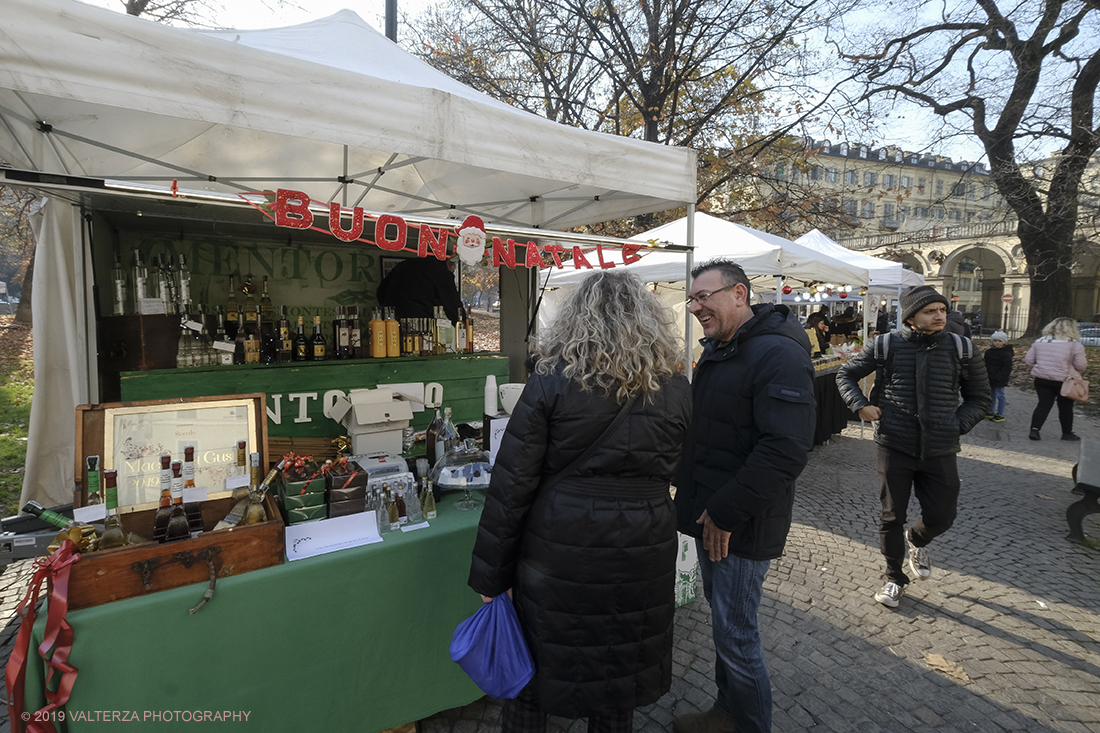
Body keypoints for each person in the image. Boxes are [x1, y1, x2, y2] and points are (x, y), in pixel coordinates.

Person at [469, 269, 692, 733]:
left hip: (559, 544)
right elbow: (680, 468)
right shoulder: (676, 389)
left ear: (575, 319)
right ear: (649, 320)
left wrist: (492, 576)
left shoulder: (552, 380)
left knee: (532, 672)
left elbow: (512, 485)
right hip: (644, 541)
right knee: (619, 674)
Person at [672, 259, 815, 733]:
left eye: (703, 297)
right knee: (724, 627)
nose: (695, 307)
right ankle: (726, 714)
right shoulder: (722, 348)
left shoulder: (778, 354)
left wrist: (726, 513)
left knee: (736, 636)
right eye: (692, 299)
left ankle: (749, 724)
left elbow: (785, 449)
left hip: (740, 524)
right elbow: (710, 431)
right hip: (715, 516)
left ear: (739, 294)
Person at [836, 285, 990, 609]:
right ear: (911, 316)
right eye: (930, 311)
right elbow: (846, 374)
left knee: (943, 514)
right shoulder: (886, 345)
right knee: (892, 515)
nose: (939, 316)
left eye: (942, 310)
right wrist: (860, 405)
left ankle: (917, 539)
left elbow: (980, 398)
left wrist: (956, 424)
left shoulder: (962, 348)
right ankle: (894, 578)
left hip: (940, 448)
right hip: (895, 444)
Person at [1024, 317, 1087, 441]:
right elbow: (1081, 365)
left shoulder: (1040, 341)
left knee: (1043, 404)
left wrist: (1040, 367)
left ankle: (1035, 430)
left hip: (1042, 378)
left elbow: (1029, 360)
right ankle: (1067, 433)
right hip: (1065, 380)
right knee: (1066, 407)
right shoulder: (1074, 344)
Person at [376, 255, 462, 321]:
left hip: (391, 321)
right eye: (453, 268)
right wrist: (464, 326)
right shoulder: (442, 273)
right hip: (420, 323)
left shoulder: (403, 265)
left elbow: (380, 291)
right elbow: (455, 310)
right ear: (450, 262)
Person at [983, 331, 1013, 422]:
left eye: (999, 341)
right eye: (995, 340)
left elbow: (1007, 367)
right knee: (991, 395)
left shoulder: (1006, 354)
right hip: (990, 376)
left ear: (1004, 342)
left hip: (1000, 378)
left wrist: (1000, 377)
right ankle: (990, 411)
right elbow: (985, 363)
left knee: (1000, 395)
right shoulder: (989, 352)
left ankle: (1000, 414)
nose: (997, 343)